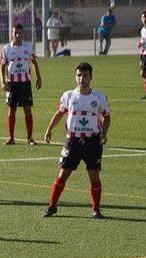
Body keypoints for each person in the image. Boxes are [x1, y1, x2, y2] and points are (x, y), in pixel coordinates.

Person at [42, 63, 111, 220]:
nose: (82, 78)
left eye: (85, 75)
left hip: (93, 142)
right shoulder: (68, 96)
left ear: (90, 77)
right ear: (75, 77)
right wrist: (49, 129)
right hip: (72, 141)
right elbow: (60, 113)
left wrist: (104, 133)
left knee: (94, 176)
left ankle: (96, 209)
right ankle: (52, 206)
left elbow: (107, 116)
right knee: (62, 174)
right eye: (79, 75)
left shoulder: (99, 97)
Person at [0, 24, 42, 146]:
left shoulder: (28, 47)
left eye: (20, 33)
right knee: (11, 111)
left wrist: (39, 78)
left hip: (25, 83)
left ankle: (30, 138)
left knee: (28, 110)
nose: (17, 35)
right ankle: (11, 137)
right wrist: (2, 82)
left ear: (23, 33)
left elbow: (33, 62)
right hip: (12, 84)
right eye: (15, 33)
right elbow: (2, 66)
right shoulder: (6, 48)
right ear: (12, 34)